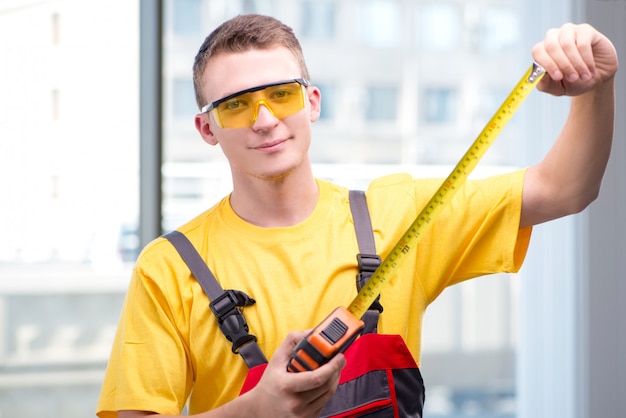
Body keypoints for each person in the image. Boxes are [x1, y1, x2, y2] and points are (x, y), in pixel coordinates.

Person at [96, 13, 618, 418]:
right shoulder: (169, 268)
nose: (265, 120)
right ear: (207, 129)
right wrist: (255, 409)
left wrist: (594, 91)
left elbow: (565, 189)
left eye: (281, 95)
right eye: (235, 105)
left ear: (313, 103)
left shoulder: (399, 215)